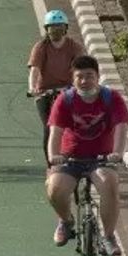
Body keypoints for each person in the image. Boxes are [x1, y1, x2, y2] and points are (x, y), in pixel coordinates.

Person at [46, 55, 128, 256]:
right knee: (54, 190)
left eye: (89, 76)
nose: (85, 81)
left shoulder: (112, 98)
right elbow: (55, 132)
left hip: (101, 158)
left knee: (109, 183)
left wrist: (117, 152)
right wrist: (53, 155)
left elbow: (121, 127)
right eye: (80, 77)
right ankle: (66, 221)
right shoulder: (65, 100)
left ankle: (108, 236)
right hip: (70, 158)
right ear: (73, 79)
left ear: (98, 76)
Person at [27, 10, 85, 163]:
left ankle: (79, 156)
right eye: (52, 28)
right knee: (49, 126)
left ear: (65, 28)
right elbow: (35, 69)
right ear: (47, 30)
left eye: (59, 27)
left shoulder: (74, 46)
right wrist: (33, 87)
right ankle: (50, 164)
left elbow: (82, 68)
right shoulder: (41, 47)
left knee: (78, 125)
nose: (56, 31)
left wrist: (79, 86)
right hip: (45, 92)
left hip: (69, 90)